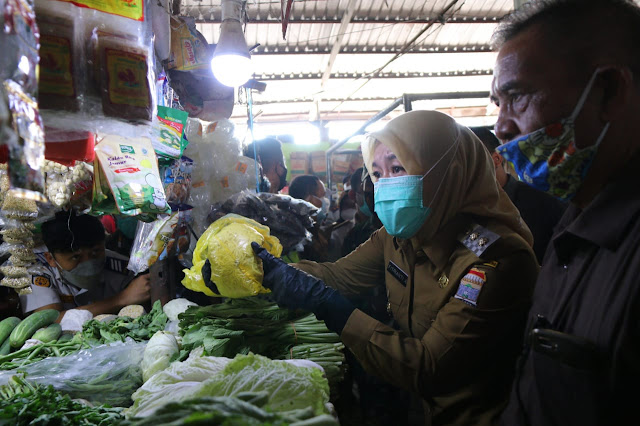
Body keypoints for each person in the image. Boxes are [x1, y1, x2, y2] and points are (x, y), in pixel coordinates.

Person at [252, 110, 539, 425]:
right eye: (377, 173)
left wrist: (332, 309)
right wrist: (259, 270)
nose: (384, 186)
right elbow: (338, 276)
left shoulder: (495, 261)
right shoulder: (398, 236)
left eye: (398, 168)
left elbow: (430, 367)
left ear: (447, 174)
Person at [489, 1, 640, 424]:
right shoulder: (574, 219)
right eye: (497, 102)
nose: (501, 126)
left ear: (608, 90)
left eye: (517, 96)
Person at [21, 212, 151, 319]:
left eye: (95, 252)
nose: (88, 263)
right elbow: (50, 321)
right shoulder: (37, 271)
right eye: (76, 257)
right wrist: (121, 299)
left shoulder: (123, 266)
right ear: (51, 259)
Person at [470, 126, 567, 264]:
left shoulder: (541, 201)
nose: (461, 170)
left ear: (496, 159)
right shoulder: (465, 209)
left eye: (469, 160)